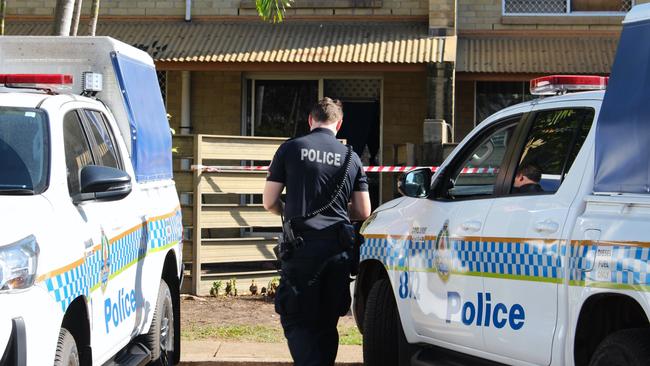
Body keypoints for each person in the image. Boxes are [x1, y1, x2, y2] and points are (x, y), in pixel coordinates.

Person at [263, 97, 371, 366]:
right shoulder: (351, 157)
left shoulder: (290, 148)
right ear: (339, 124)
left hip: (301, 248)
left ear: (311, 120)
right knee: (326, 320)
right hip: (337, 249)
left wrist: (287, 211)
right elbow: (363, 211)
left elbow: (269, 202)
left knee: (296, 316)